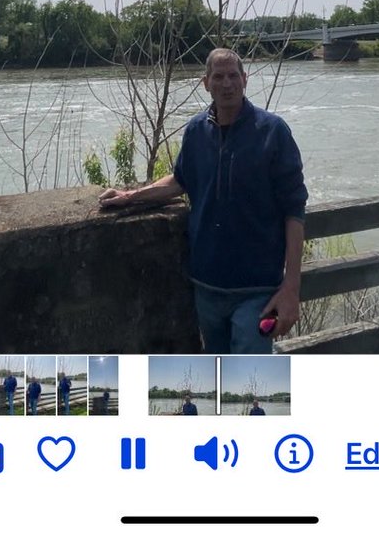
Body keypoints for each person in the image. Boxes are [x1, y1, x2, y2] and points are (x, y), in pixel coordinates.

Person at [100, 48, 308, 354]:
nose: (227, 84)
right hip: (206, 285)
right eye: (218, 76)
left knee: (250, 370)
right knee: (216, 367)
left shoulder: (272, 132)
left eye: (233, 75)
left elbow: (294, 211)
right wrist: (129, 197)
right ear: (205, 83)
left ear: (245, 80)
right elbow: (180, 181)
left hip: (258, 288)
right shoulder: (197, 131)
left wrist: (291, 287)